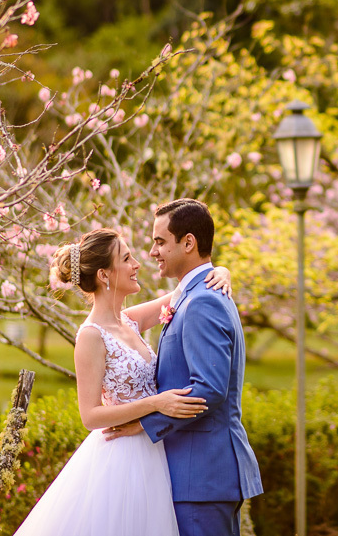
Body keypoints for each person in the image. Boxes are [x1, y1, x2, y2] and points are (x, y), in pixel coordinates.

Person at [12, 226, 233, 536]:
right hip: (121, 459)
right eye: (127, 259)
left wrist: (221, 271)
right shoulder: (91, 336)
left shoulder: (129, 320)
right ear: (104, 275)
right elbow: (90, 416)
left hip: (154, 451)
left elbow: (188, 289)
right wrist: (156, 403)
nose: (137, 264)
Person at [105, 198, 263, 536]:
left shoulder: (203, 300)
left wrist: (145, 423)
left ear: (188, 243)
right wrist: (220, 268)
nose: (151, 252)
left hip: (202, 476)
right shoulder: (190, 294)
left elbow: (210, 390)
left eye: (160, 241)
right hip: (193, 475)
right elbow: (115, 324)